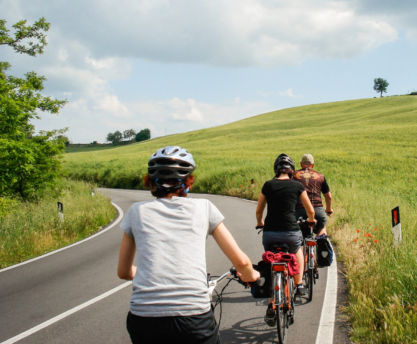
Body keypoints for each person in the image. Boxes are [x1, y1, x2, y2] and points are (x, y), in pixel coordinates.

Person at [117, 145, 260, 344]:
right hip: (192, 318)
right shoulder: (204, 208)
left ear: (151, 182)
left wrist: (146, 273)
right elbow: (242, 263)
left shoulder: (136, 212)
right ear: (189, 181)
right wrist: (254, 277)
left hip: (144, 320)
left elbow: (123, 272)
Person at [255, 153, 316, 297]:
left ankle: (272, 288)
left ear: (276, 169)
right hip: (291, 234)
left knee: (272, 257)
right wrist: (311, 219)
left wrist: (260, 223)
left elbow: (259, 210)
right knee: (298, 250)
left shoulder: (268, 185)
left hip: (269, 234)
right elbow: (310, 210)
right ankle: (299, 284)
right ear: (292, 170)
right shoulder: (297, 185)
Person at [293, 153, 333, 237]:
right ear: (313, 165)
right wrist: (328, 209)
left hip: (299, 210)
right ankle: (322, 241)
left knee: (296, 236)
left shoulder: (293, 175)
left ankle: (297, 248)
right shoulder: (320, 176)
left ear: (301, 164)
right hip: (317, 210)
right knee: (322, 227)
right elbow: (328, 196)